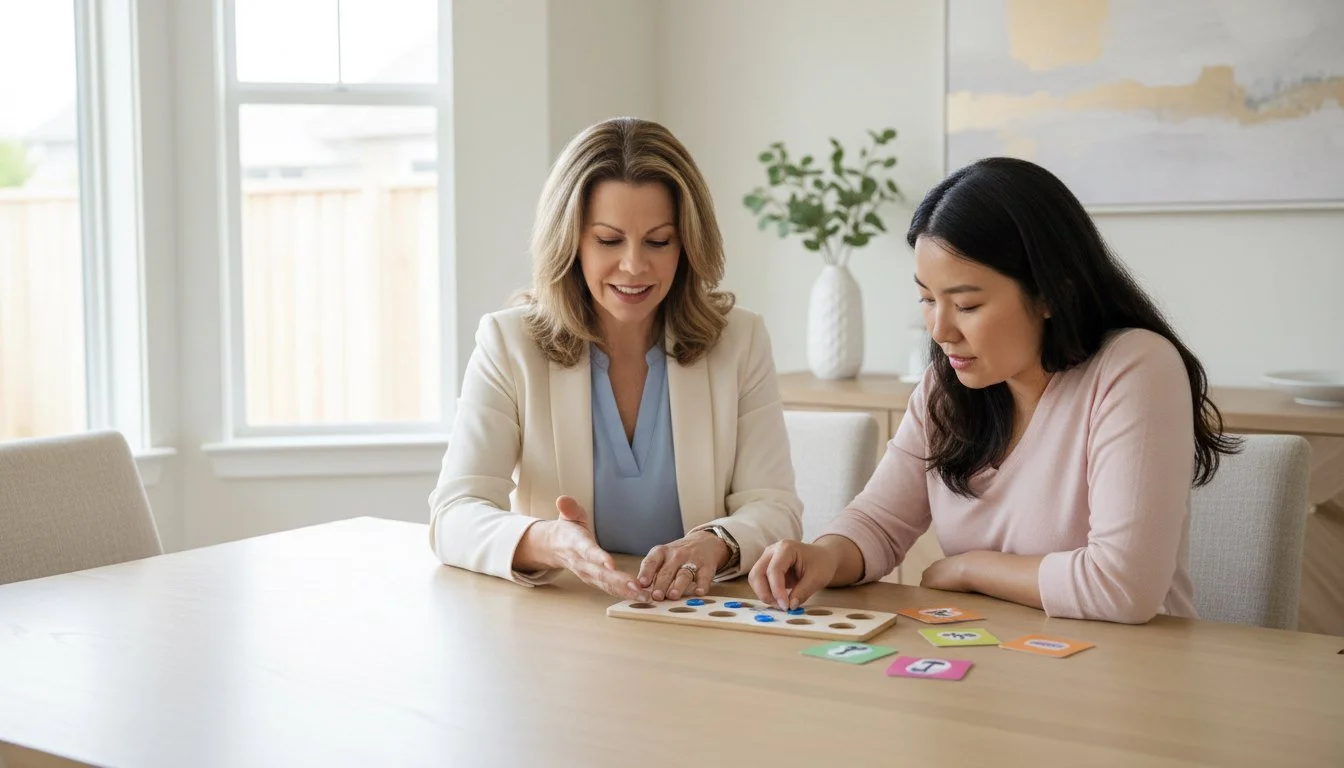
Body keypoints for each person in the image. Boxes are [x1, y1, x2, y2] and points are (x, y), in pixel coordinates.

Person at [749, 157, 1239, 624]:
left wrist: (969, 567)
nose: (940, 331)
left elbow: (1121, 587)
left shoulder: (1135, 368)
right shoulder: (949, 386)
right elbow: (880, 521)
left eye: (966, 304)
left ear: (1052, 291)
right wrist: (823, 556)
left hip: (1131, 670)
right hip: (994, 659)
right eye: (926, 299)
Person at [430, 117, 802, 603]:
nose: (634, 266)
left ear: (687, 243)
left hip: (697, 618)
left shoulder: (740, 340)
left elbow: (775, 507)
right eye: (608, 240)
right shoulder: (509, 342)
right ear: (570, 242)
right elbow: (454, 513)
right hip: (566, 621)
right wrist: (549, 542)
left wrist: (714, 544)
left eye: (658, 240)